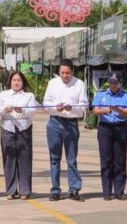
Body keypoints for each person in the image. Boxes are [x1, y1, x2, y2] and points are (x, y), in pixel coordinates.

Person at [42, 59, 89, 201]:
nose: (65, 75)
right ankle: (55, 190)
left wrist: (72, 107)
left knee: (71, 159)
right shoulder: (53, 83)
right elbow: (46, 103)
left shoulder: (79, 84)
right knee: (54, 158)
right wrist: (55, 107)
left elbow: (84, 105)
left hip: (71, 123)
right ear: (59, 71)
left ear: (72, 72)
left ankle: (74, 190)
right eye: (62, 73)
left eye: (67, 73)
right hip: (55, 122)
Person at [0, 70, 38, 199]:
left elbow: (33, 111)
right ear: (10, 82)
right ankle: (11, 190)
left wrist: (22, 110)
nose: (16, 82)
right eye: (14, 80)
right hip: (7, 128)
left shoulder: (29, 96)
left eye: (19, 80)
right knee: (9, 159)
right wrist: (4, 110)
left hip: (24, 128)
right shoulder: (3, 95)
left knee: (24, 159)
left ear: (22, 82)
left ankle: (25, 190)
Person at [92, 74, 127, 200]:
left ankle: (119, 191)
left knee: (120, 160)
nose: (113, 85)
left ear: (120, 83)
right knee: (106, 160)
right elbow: (95, 110)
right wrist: (106, 110)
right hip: (105, 128)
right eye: (111, 82)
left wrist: (118, 109)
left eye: (115, 82)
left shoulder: (126, 96)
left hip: (120, 128)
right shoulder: (101, 94)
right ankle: (107, 192)